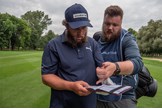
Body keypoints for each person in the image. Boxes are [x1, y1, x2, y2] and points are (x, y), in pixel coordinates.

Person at [41, 3, 104, 108]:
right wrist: (71, 86)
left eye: (84, 28)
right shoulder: (53, 45)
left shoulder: (93, 43)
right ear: (67, 25)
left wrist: (104, 72)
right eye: (76, 28)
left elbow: (101, 67)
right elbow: (46, 77)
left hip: (89, 104)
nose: (81, 33)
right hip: (62, 104)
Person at [93, 5, 143, 108]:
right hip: (97, 97)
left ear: (120, 25)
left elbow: (137, 63)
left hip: (122, 98)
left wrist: (115, 67)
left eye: (115, 25)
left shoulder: (126, 39)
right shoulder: (96, 40)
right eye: (107, 24)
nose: (110, 28)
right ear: (103, 22)